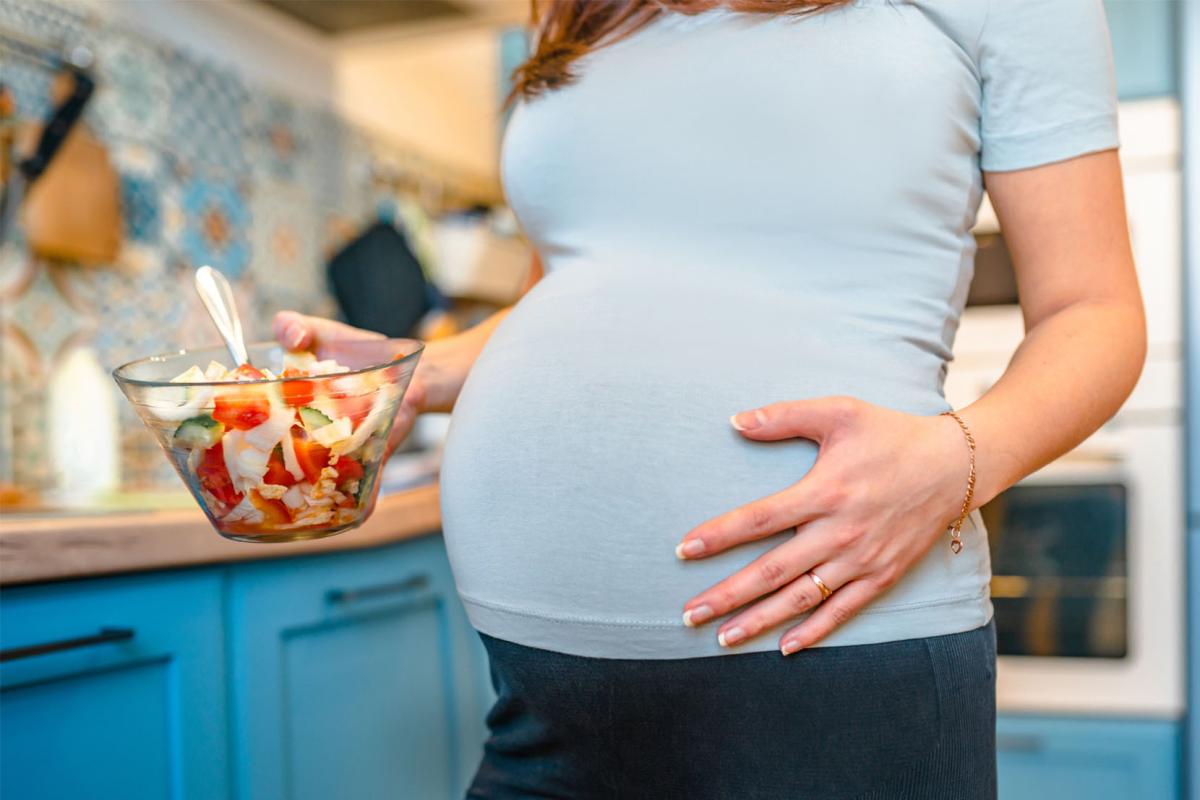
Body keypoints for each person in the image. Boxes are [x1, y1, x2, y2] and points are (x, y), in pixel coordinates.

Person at [275, 1, 1145, 796]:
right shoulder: (581, 10)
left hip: (831, 667)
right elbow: (591, 282)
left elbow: (1094, 315)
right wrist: (427, 370)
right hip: (540, 696)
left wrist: (958, 460)